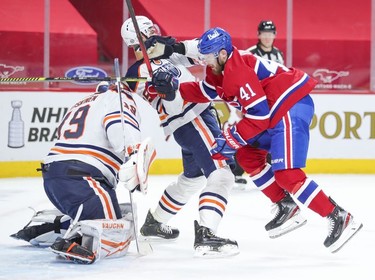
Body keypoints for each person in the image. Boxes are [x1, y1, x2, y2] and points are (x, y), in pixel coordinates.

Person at [150, 27, 363, 253]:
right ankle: (285, 205)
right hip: (272, 111)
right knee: (247, 155)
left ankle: (339, 216)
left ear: (223, 54)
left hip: (289, 106)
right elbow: (204, 91)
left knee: (287, 174)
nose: (206, 62)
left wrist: (230, 139)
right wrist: (174, 89)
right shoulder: (220, 68)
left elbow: (258, 117)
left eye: (210, 57)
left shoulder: (238, 72)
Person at [120, 16, 238, 257]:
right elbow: (168, 107)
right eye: (150, 32)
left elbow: (202, 51)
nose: (156, 34)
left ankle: (155, 221)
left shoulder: (167, 56)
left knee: (193, 178)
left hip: (195, 120)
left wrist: (174, 46)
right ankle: (206, 233)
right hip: (191, 121)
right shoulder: (136, 73)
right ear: (139, 39)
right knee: (222, 173)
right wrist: (169, 93)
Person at [11, 81, 155, 264]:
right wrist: (133, 153)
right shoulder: (119, 98)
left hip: (54, 176)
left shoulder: (83, 102)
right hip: (85, 179)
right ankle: (76, 241)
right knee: (119, 233)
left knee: (103, 216)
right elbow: (120, 124)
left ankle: (49, 227)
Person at [229, 20, 285, 189]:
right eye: (264, 33)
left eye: (271, 33)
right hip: (251, 103)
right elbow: (238, 80)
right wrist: (238, 107)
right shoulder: (250, 53)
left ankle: (271, 172)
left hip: (270, 103)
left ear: (275, 35)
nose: (267, 37)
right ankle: (236, 172)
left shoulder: (278, 54)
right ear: (259, 35)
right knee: (247, 138)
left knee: (270, 136)